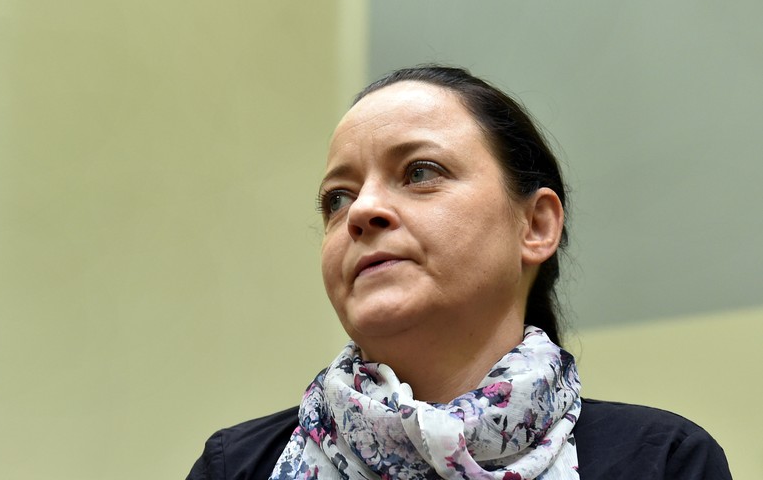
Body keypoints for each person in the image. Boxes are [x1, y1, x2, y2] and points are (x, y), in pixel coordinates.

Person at [187, 66, 731, 479]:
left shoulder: (661, 461)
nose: (360, 212)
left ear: (536, 225)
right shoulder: (235, 467)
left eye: (420, 172)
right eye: (337, 198)